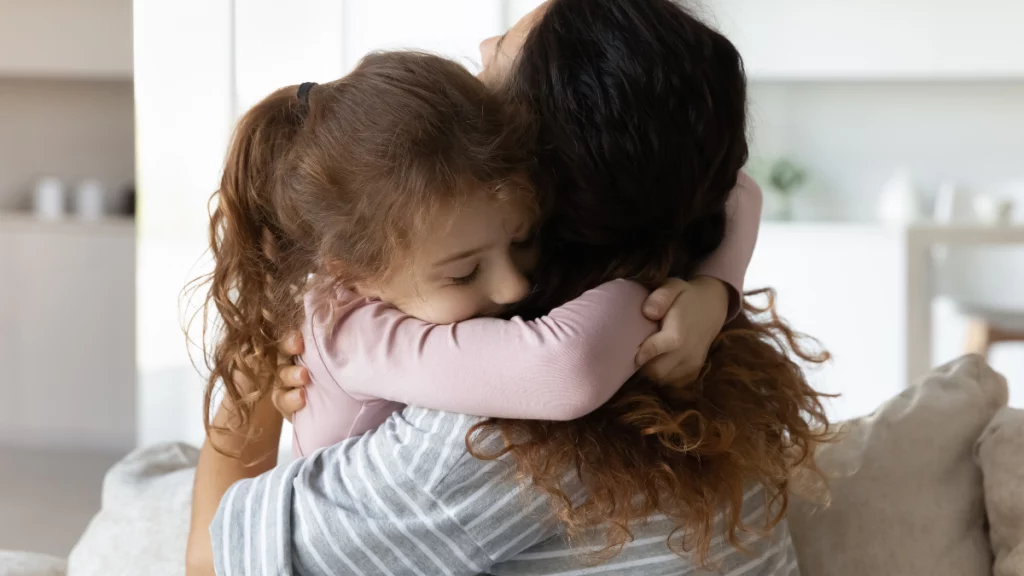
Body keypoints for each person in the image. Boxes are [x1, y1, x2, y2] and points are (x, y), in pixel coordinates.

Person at [205, 0, 829, 574]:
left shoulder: (476, 443)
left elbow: (209, 563)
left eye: (500, 50)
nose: (479, 46)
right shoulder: (686, 285)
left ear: (528, 164)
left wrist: (251, 394)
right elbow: (736, 186)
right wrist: (714, 285)